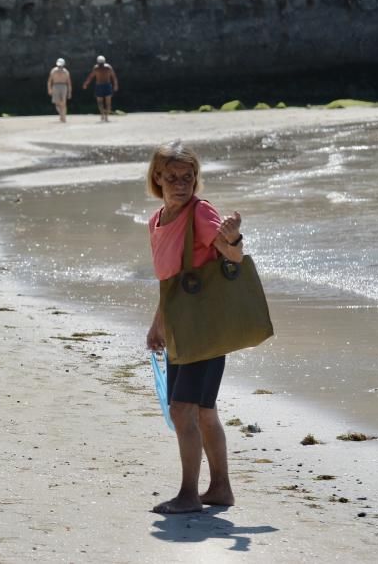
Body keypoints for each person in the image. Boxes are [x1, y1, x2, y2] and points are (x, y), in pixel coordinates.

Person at [144, 140, 243, 514]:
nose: (181, 184)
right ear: (158, 177)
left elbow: (231, 255)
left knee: (184, 409)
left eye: (188, 176)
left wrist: (232, 236)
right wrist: (158, 324)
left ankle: (188, 495)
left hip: (204, 327)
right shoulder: (156, 220)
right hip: (179, 326)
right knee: (202, 410)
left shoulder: (201, 214)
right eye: (172, 177)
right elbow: (169, 281)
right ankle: (220, 490)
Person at [82, 55, 119, 122]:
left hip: (101, 86)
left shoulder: (97, 68)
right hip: (105, 86)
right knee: (105, 102)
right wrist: (115, 85)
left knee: (101, 102)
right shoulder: (107, 67)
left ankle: (104, 115)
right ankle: (104, 116)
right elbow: (114, 77)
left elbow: (90, 77)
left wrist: (86, 84)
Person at [47, 58, 72, 122]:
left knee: (63, 103)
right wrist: (49, 89)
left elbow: (69, 83)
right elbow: (49, 81)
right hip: (55, 86)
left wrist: (69, 92)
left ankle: (63, 117)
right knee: (57, 103)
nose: (59, 67)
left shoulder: (66, 72)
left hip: (64, 86)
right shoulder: (53, 71)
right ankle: (62, 114)